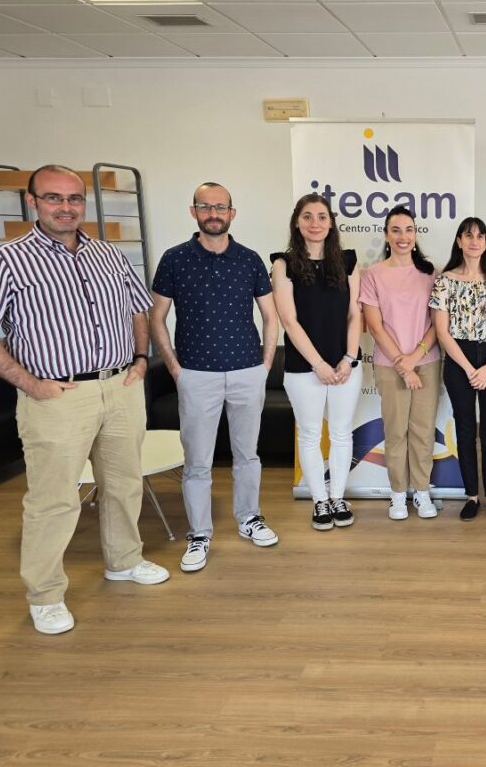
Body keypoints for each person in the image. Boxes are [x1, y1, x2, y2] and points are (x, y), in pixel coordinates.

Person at [0, 164, 169, 635]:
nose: (65, 207)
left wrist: (140, 358)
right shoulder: (7, 259)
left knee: (124, 483)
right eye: (53, 197)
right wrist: (30, 383)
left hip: (120, 387)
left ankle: (124, 560)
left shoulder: (109, 254)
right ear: (33, 202)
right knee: (53, 501)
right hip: (56, 396)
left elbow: (138, 309)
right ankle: (45, 595)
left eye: (73, 199)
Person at [149, 182, 279, 573]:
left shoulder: (249, 259)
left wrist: (265, 364)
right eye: (206, 207)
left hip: (247, 371)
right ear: (194, 212)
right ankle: (199, 534)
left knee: (248, 455)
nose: (213, 214)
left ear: (232, 213)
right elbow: (157, 317)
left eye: (220, 207)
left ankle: (249, 518)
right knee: (197, 462)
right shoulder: (174, 259)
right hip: (195, 374)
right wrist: (174, 367)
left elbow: (270, 316)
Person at [271, 194, 362, 531]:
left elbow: (355, 314)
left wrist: (348, 358)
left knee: (341, 433)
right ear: (297, 222)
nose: (315, 223)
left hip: (345, 365)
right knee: (310, 435)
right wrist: (319, 365)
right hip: (304, 367)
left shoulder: (348, 262)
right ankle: (319, 501)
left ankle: (337, 497)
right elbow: (289, 321)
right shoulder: (283, 264)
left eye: (322, 216)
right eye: (307, 216)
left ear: (331, 222)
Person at [429, 217, 486, 521]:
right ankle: (471, 496)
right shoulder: (445, 280)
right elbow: (442, 332)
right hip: (459, 359)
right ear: (459, 241)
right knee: (465, 431)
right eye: (468, 236)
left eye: (480, 236)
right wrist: (468, 368)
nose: (474, 241)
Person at [360, 205, 441, 521]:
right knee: (395, 432)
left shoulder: (431, 273)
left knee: (422, 431)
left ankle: (421, 491)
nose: (403, 236)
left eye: (408, 230)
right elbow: (375, 326)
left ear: (415, 234)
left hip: (427, 363)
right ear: (386, 235)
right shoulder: (373, 274)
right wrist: (402, 364)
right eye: (396, 230)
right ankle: (397, 495)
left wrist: (414, 358)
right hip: (389, 365)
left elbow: (438, 324)